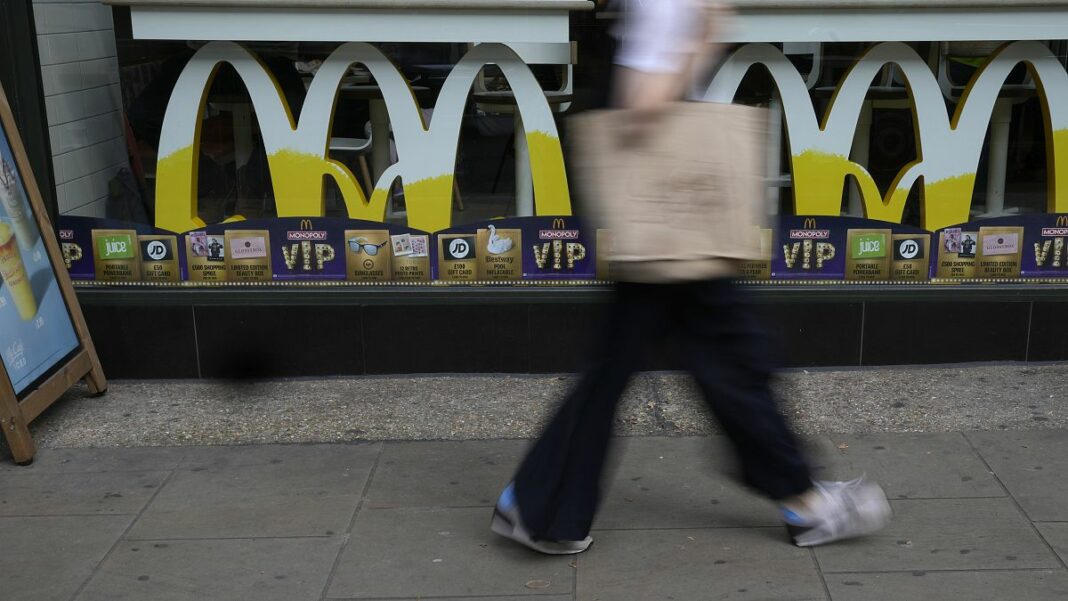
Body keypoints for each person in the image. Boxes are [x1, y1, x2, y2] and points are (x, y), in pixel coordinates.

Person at [491, 0, 891, 554]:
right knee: (730, 353)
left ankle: (539, 506)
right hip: (672, 200)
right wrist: (703, 38)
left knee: (635, 359)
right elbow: (642, 102)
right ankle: (804, 501)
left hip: (661, 206)